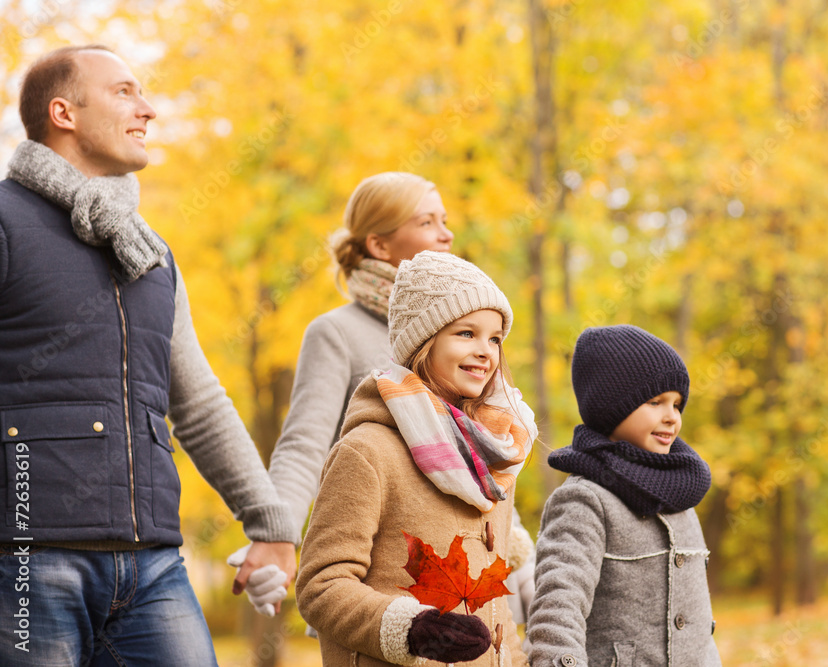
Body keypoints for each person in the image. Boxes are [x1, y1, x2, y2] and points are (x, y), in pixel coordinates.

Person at [0, 45, 296, 665]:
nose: (149, 110)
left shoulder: (149, 251)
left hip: (153, 566)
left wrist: (270, 523)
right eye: (125, 92)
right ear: (64, 112)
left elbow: (198, 400)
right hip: (25, 561)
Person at [236, 172, 536, 623]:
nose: (446, 232)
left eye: (445, 220)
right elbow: (305, 445)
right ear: (379, 245)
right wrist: (276, 534)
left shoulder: (472, 337)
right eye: (427, 221)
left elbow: (471, 455)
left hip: (471, 568)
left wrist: (516, 545)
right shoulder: (338, 332)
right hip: (390, 577)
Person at [296, 250, 537, 666]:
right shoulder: (368, 450)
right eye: (466, 333)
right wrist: (410, 629)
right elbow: (322, 585)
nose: (486, 351)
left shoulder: (492, 460)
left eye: (495, 338)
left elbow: (497, 616)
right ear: (423, 341)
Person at [528, 325, 722, 666]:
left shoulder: (681, 490)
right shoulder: (584, 500)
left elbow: (697, 624)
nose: (671, 418)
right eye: (655, 401)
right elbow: (559, 607)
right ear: (610, 407)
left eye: (677, 405)